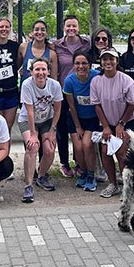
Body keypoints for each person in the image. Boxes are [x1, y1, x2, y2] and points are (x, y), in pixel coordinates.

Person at [91, 48, 134, 199]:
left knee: (122, 152)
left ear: (117, 61)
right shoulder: (96, 81)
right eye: (105, 59)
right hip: (107, 122)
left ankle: (127, 186)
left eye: (111, 59)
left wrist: (121, 123)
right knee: (105, 152)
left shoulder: (127, 81)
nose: (108, 62)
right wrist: (105, 126)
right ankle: (113, 184)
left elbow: (132, 104)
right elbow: (97, 105)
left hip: (126, 121)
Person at [18, 57, 63, 202]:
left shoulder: (54, 85)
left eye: (44, 69)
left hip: (47, 120)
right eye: (37, 69)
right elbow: (29, 111)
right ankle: (28, 185)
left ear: (49, 71)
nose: (40, 72)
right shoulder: (26, 85)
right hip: (28, 120)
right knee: (32, 147)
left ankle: (42, 176)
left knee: (49, 149)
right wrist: (32, 134)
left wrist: (52, 130)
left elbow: (57, 109)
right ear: (31, 72)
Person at [53, 15, 90, 177]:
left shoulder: (86, 44)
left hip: (81, 92)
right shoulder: (57, 45)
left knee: (78, 128)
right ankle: (64, 162)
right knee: (62, 128)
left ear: (79, 28)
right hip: (63, 92)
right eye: (68, 26)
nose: (71, 29)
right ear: (63, 28)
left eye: (74, 26)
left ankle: (79, 162)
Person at [63, 51, 100, 192]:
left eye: (84, 63)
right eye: (77, 63)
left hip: (92, 118)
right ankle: (83, 172)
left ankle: (91, 175)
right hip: (75, 118)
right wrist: (78, 127)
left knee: (87, 144)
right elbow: (71, 106)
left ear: (89, 64)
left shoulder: (96, 77)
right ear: (73, 65)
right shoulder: (69, 81)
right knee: (78, 147)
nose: (81, 66)